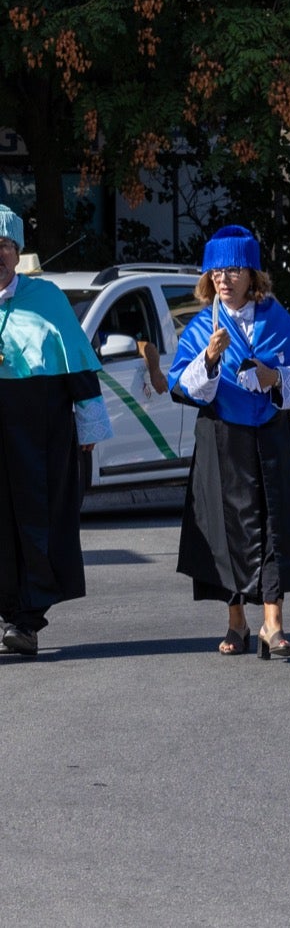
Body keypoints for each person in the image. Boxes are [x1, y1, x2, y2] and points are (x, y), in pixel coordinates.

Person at [168, 226, 290, 659]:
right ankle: (236, 621)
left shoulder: (276, 319)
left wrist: (275, 378)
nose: (224, 279)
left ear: (253, 276)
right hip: (222, 438)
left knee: (275, 527)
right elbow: (182, 386)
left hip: (271, 436)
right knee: (226, 528)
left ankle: (273, 624)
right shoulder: (202, 326)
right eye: (217, 272)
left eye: (233, 270)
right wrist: (211, 358)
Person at [0, 206, 114, 656]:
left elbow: (80, 368)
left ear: (18, 252)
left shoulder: (46, 298)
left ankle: (25, 621)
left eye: (6, 247)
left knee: (37, 522)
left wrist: (89, 422)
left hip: (38, 437)